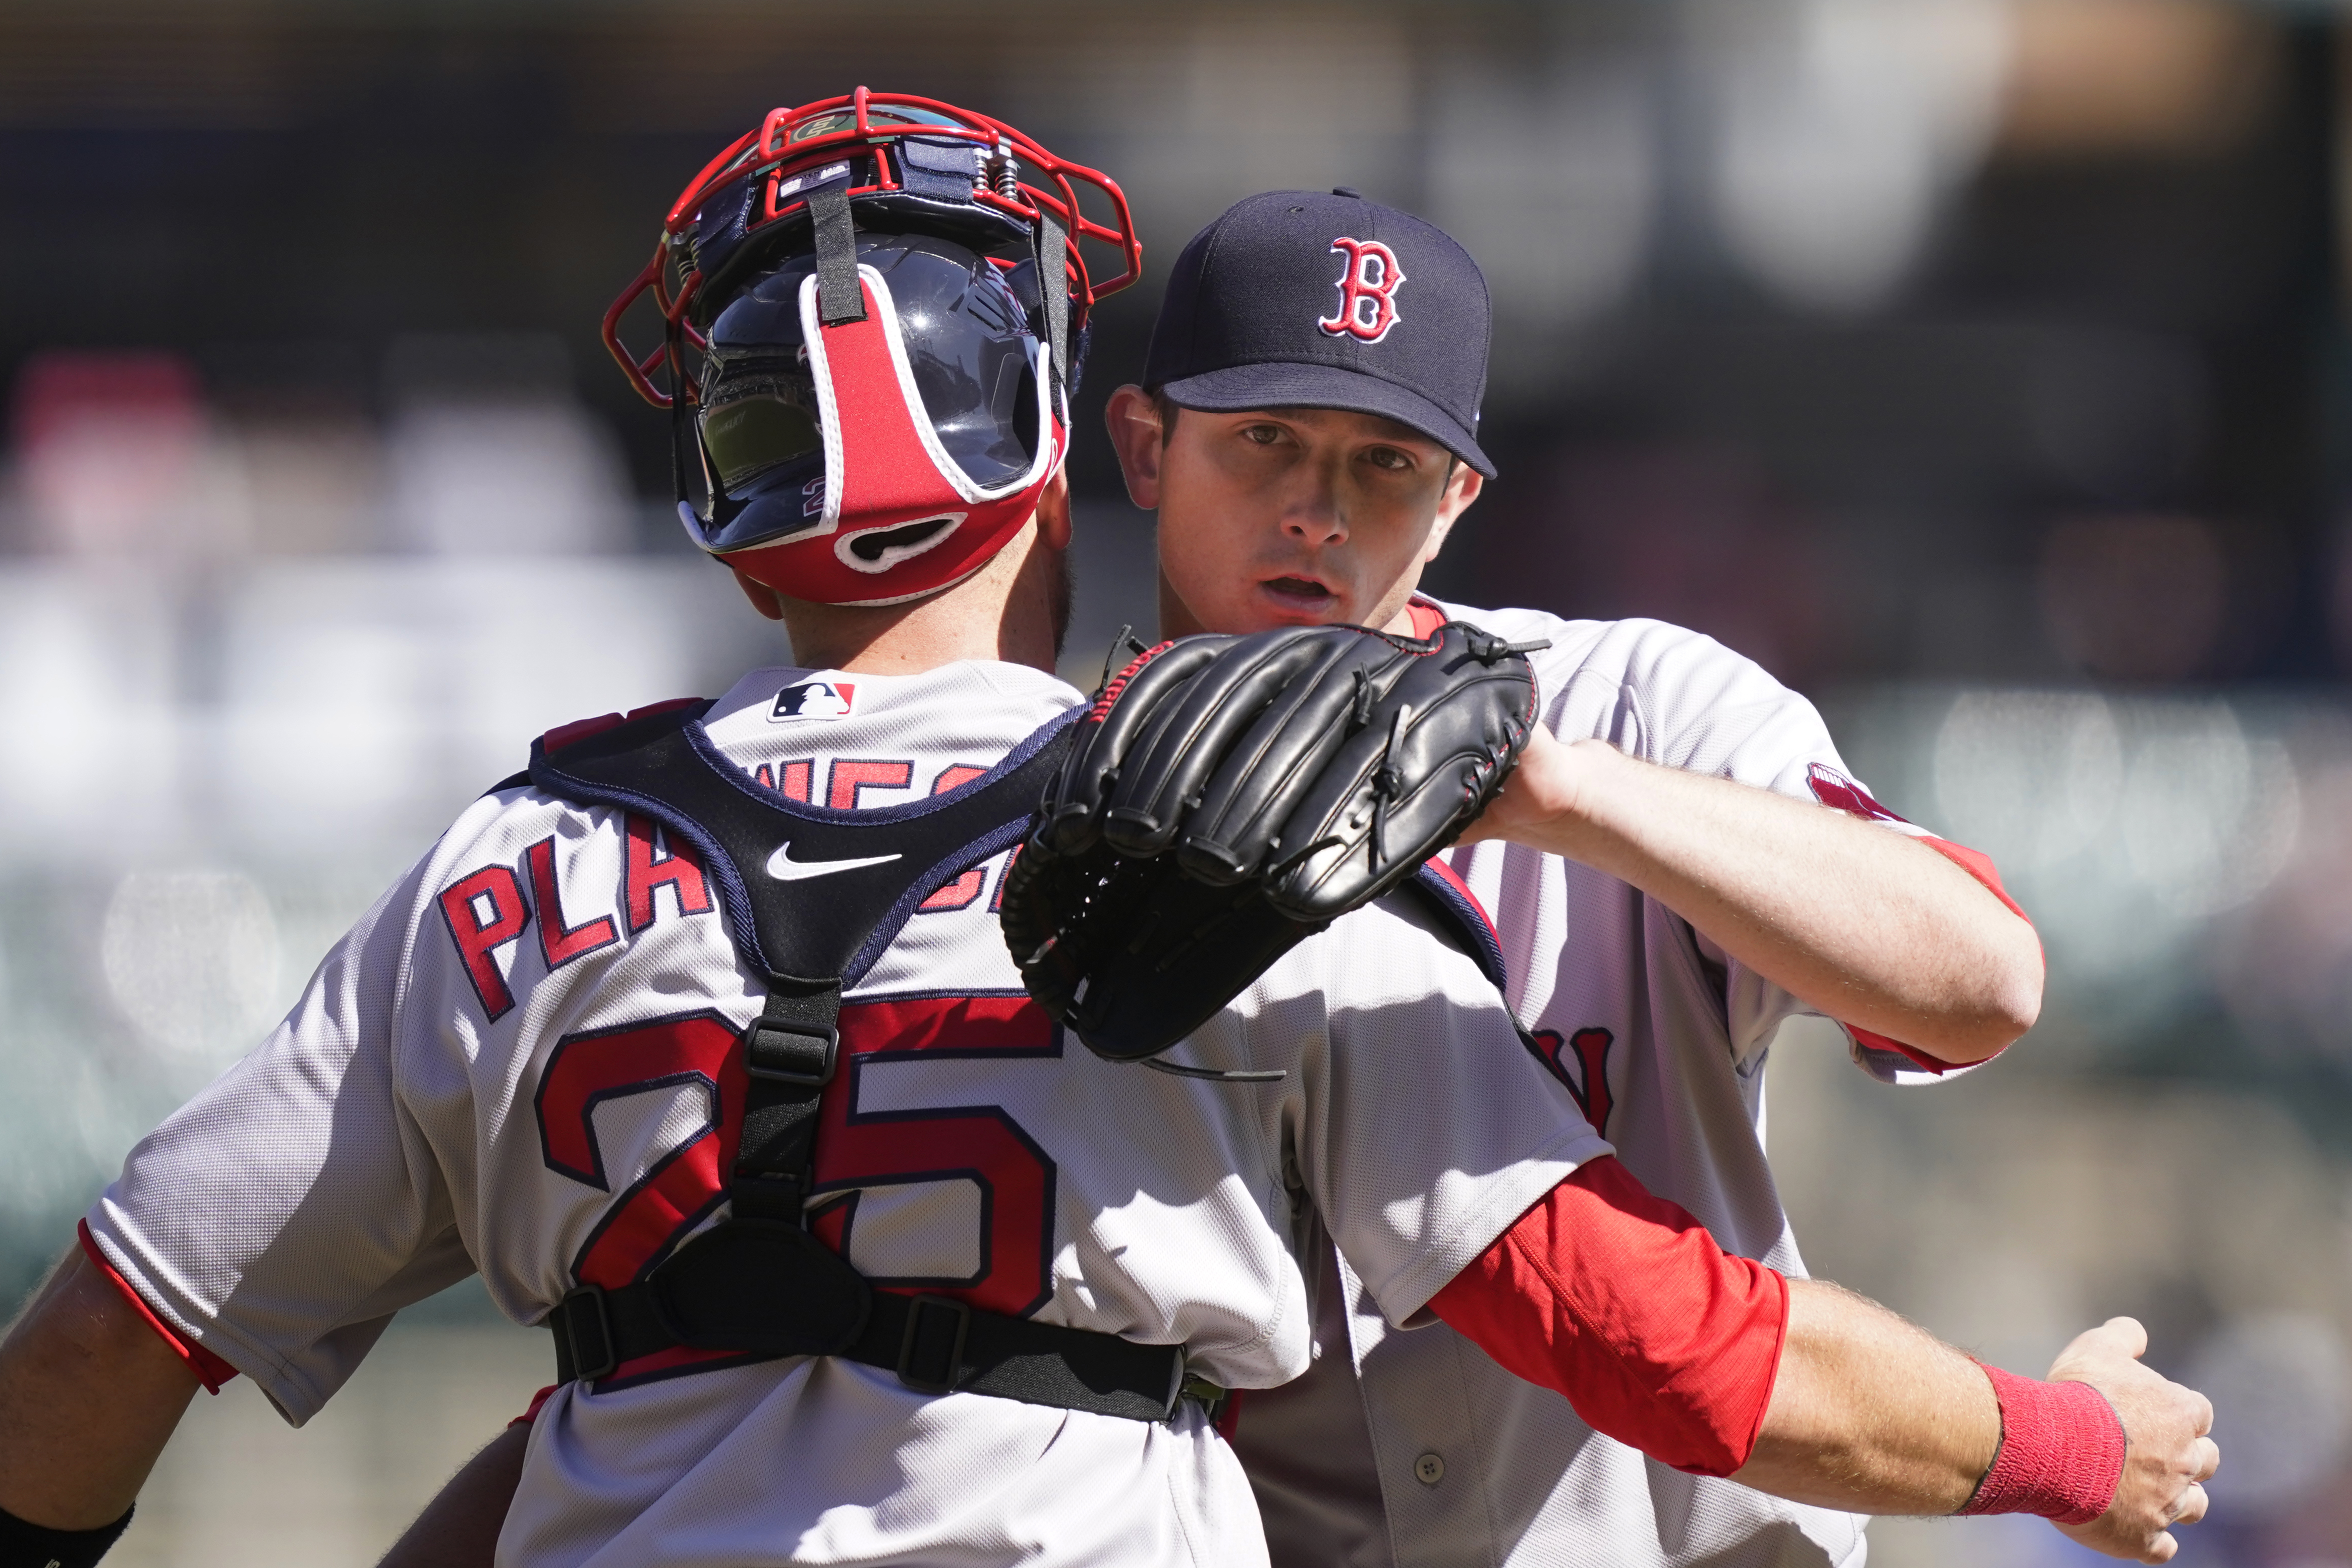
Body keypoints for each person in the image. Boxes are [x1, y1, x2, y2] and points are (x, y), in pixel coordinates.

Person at [0, 117, 2212, 1568]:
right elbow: (1655, 1334)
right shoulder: (1188, 851)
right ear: (1103, 443)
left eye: (1385, 466)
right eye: (1270, 448)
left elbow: (147, 1328)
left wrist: (1529, 775)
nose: (1324, 513)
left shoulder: (512, 857)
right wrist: (2056, 1447)